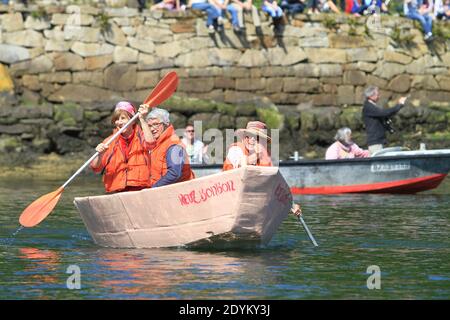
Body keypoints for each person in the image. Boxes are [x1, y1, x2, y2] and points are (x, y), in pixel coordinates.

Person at [90, 101, 153, 193]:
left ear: (132, 120)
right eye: (116, 119)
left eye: (123, 118)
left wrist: (142, 119)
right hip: (117, 191)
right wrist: (100, 154)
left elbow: (150, 144)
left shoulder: (142, 136)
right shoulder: (109, 142)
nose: (119, 122)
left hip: (139, 190)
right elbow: (96, 168)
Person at [145, 108, 195, 187]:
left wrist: (153, 188)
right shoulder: (157, 144)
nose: (152, 129)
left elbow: (174, 174)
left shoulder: (174, 145)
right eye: (149, 126)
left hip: (179, 192)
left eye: (156, 124)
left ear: (166, 124)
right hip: (163, 191)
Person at [362, 86, 408, 155]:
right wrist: (399, 105)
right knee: (378, 163)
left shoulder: (372, 106)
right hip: (375, 142)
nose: (379, 96)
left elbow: (384, 115)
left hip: (379, 141)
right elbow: (384, 113)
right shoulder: (368, 107)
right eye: (377, 94)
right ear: (371, 96)